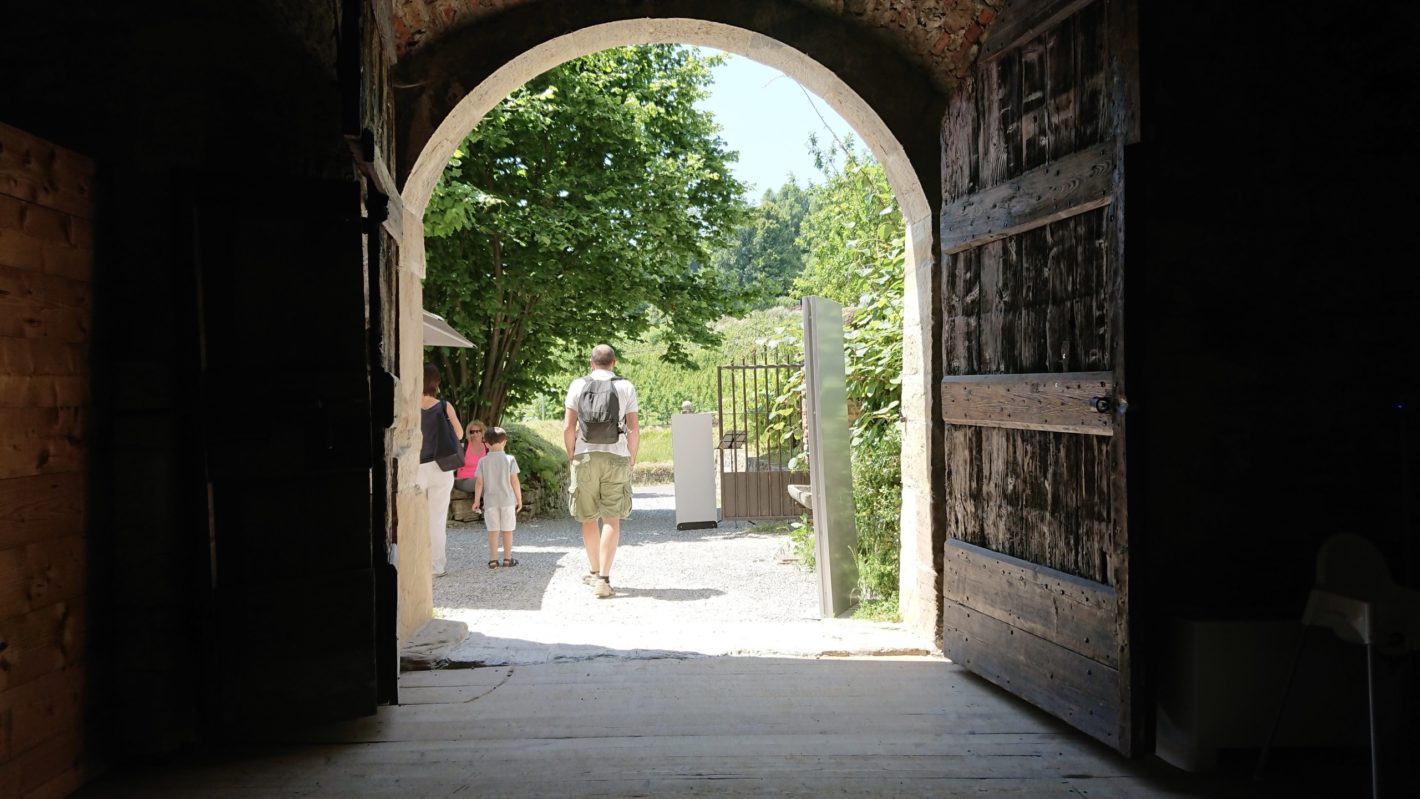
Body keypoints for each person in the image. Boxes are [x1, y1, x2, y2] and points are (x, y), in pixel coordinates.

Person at [563, 344, 639, 598]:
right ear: (614, 362)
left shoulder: (577, 385)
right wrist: (632, 456)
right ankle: (604, 580)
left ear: (591, 362)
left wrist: (572, 453)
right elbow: (633, 428)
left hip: (585, 456)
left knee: (588, 518)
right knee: (611, 518)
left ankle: (595, 571)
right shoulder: (625, 386)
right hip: (616, 456)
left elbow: (568, 427)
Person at [418, 363, 462, 577]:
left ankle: (415, 563)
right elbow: (460, 434)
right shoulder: (444, 406)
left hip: (417, 467)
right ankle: (437, 566)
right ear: (436, 383)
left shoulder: (409, 405)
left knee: (415, 516)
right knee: (437, 519)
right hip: (442, 467)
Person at [471, 426, 522, 569]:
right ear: (504, 442)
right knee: (507, 530)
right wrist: (519, 499)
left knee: (493, 531)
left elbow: (479, 482)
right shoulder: (510, 459)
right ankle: (507, 559)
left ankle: (493, 560)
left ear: (486, 444)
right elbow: (514, 481)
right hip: (507, 501)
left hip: (490, 502)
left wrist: (476, 501)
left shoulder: (482, 461)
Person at [453, 420, 488, 494]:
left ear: (483, 432)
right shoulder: (463, 447)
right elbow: (452, 465)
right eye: (472, 432)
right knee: (483, 483)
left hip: (481, 479)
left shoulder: (487, 448)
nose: (475, 434)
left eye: (477, 431)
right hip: (463, 480)